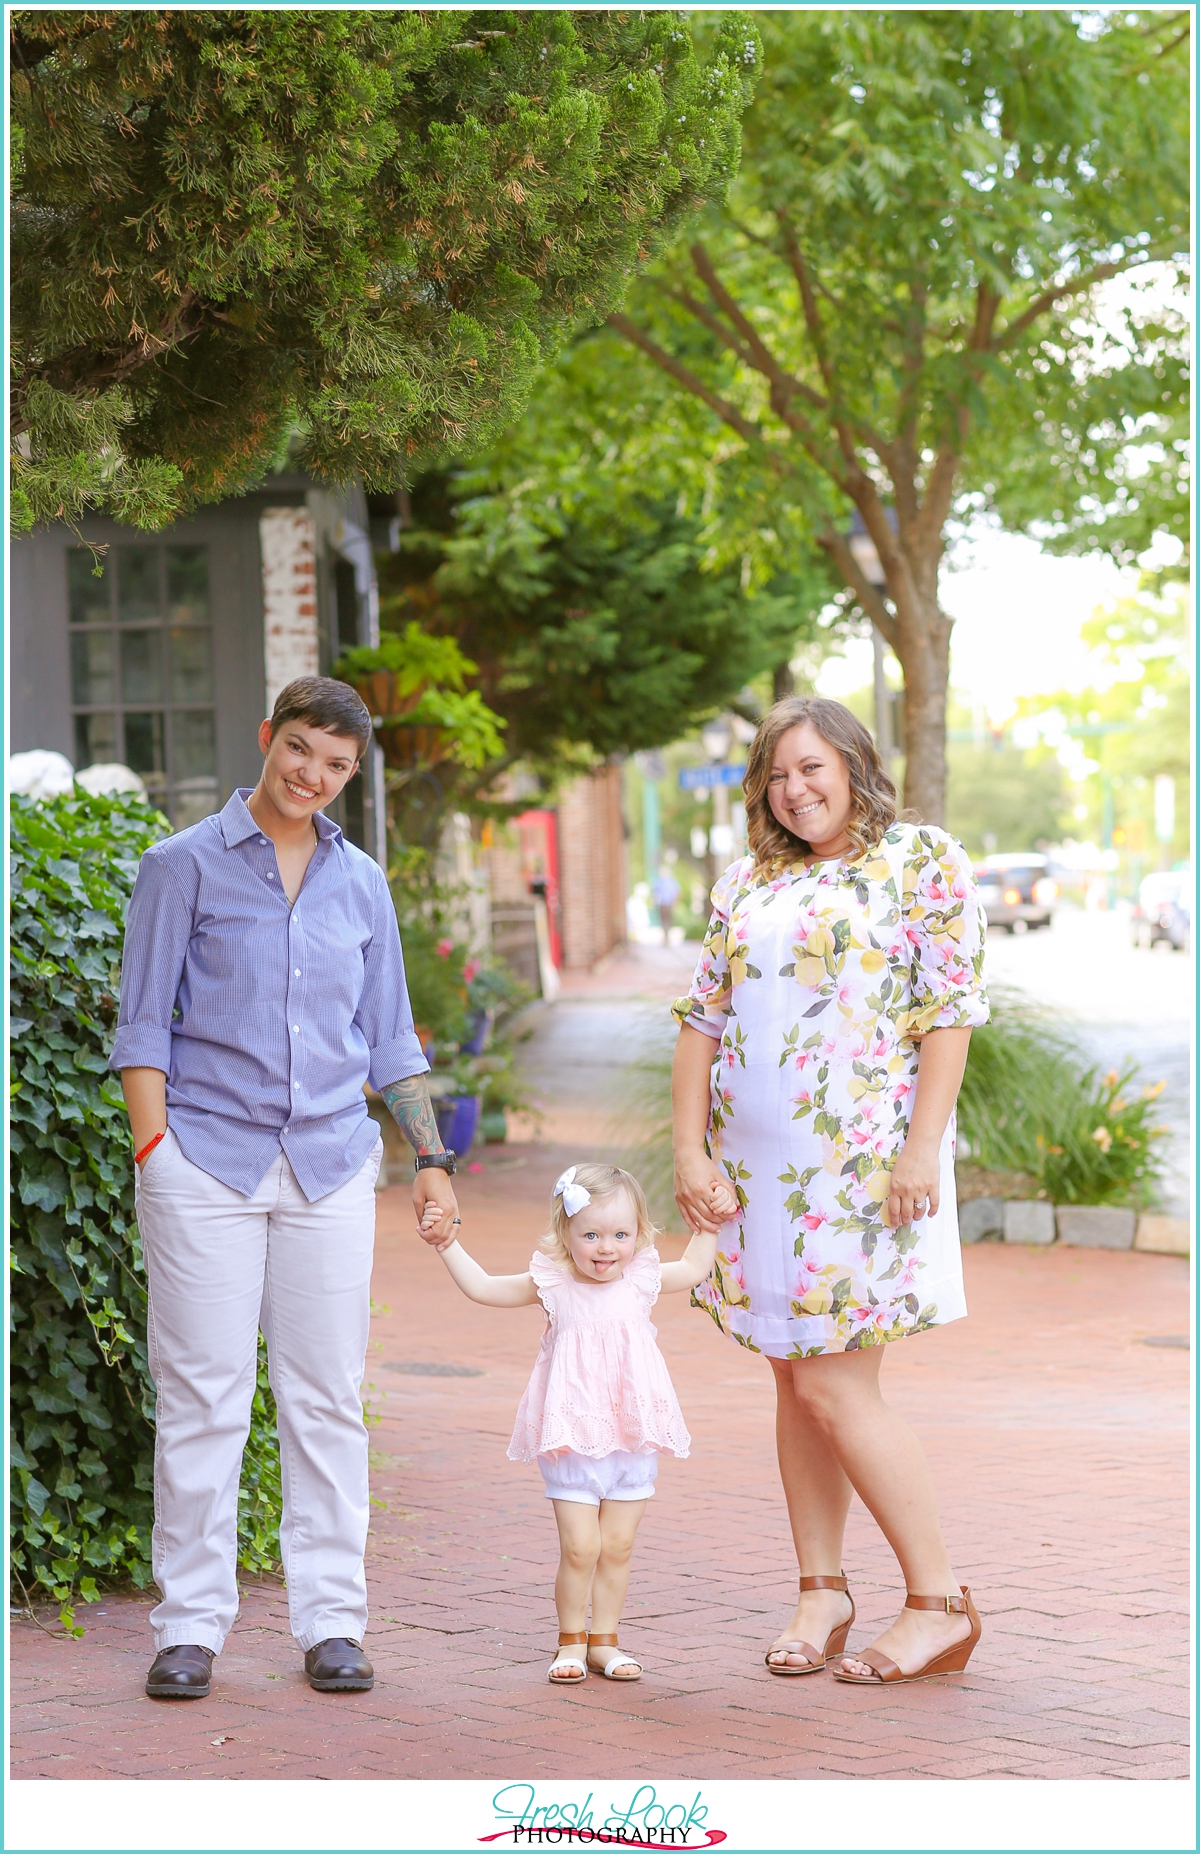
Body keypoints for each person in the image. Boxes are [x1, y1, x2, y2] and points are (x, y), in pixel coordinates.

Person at [111, 676, 461, 1700]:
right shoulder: (180, 867)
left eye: (337, 765)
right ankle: (189, 1627)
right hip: (205, 1164)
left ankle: (331, 1621)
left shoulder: (363, 885)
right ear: (268, 738)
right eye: (301, 750)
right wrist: (154, 1154)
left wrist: (429, 1157)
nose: (313, 775)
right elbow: (143, 1024)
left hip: (328, 1167)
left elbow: (391, 1036)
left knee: (324, 1398)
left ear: (353, 774)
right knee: (204, 1398)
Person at [671, 696, 987, 1686]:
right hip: (755, 1176)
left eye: (811, 767)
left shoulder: (919, 860)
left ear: (853, 763)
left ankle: (940, 1603)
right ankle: (821, 1588)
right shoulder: (748, 879)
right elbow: (702, 1021)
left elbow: (949, 1012)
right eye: (776, 773)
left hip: (862, 1174)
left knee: (835, 1384)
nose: (795, 788)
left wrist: (919, 1152)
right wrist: (690, 1153)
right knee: (788, 1378)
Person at [420, 1162, 728, 1683]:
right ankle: (570, 1641)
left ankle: (605, 1642)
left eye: (620, 1235)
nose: (606, 1248)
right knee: (581, 1547)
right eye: (591, 1234)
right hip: (571, 1439)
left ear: (639, 1235)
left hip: (630, 1438)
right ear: (566, 1233)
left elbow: (696, 1266)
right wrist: (445, 1243)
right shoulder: (554, 1283)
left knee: (618, 1547)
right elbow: (484, 1288)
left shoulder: (642, 1279)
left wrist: (711, 1222)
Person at [652, 865, 682, 939]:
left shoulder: (659, 881)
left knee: (664, 919)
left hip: (663, 904)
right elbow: (677, 892)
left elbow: (655, 893)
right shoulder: (672, 881)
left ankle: (666, 934)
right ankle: (666, 933)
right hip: (668, 904)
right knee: (668, 919)